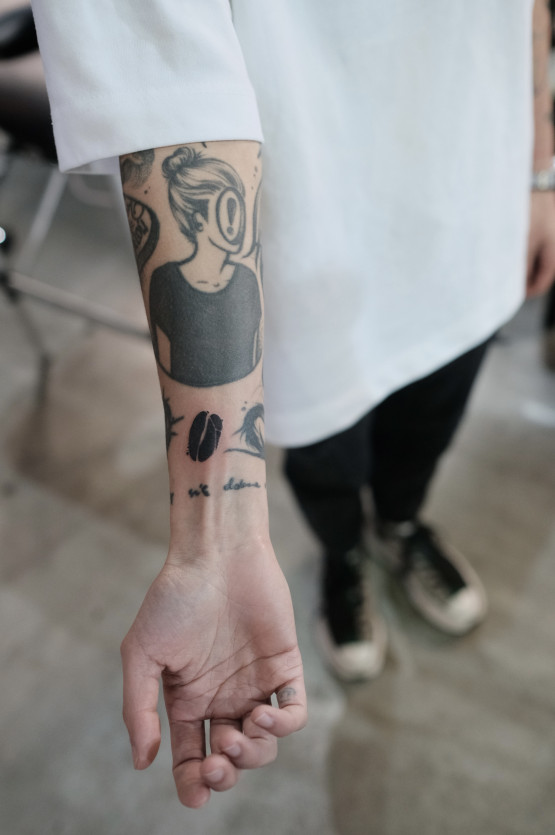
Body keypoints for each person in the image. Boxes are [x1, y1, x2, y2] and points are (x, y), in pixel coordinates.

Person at [31, 0, 555, 810]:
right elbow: (166, 86)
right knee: (326, 453)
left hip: (475, 197)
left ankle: (400, 525)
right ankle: (343, 557)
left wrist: (538, 168)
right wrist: (216, 543)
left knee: (428, 425)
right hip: (303, 238)